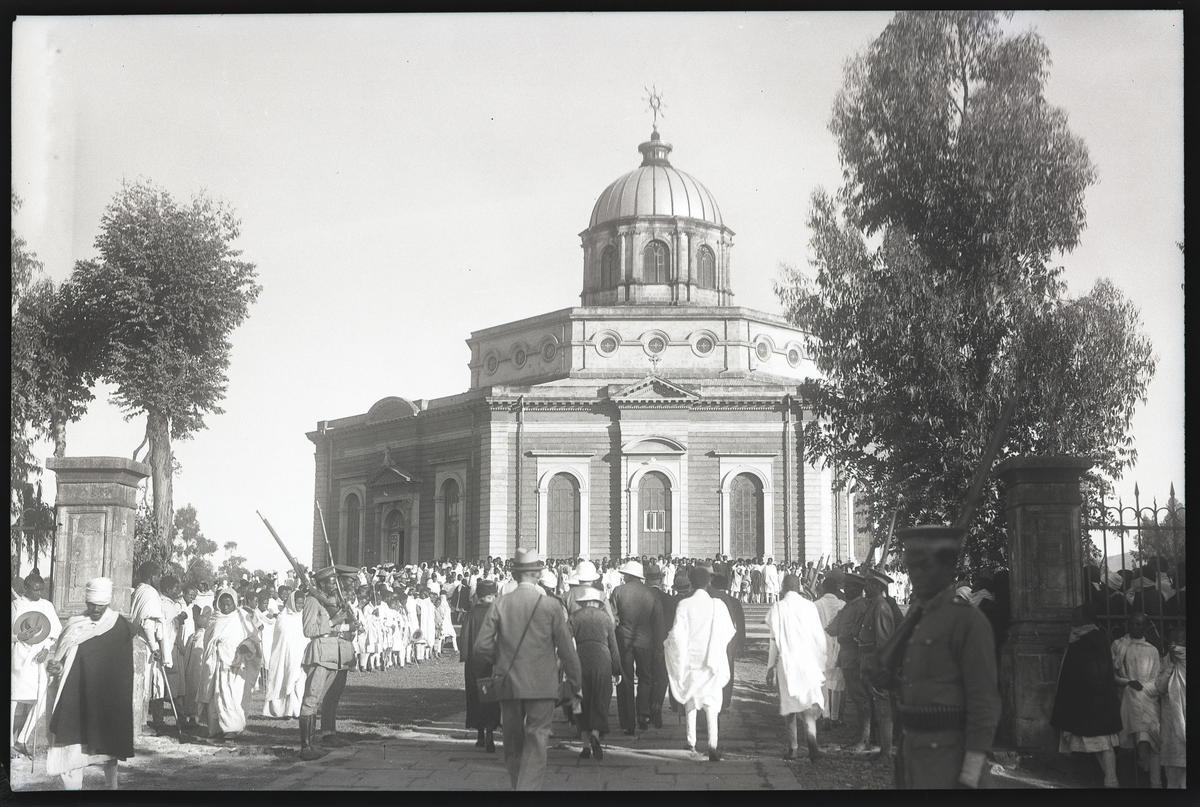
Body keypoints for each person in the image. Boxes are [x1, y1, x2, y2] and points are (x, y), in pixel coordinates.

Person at [870, 525, 1000, 789]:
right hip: (913, 757)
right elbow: (925, 686)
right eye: (911, 567)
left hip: (951, 763)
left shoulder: (968, 622)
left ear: (948, 566)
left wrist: (969, 776)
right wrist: (891, 683)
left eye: (925, 566)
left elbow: (985, 704)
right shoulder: (918, 619)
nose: (917, 575)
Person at [473, 548, 582, 790]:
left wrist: (499, 656)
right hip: (542, 685)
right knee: (537, 740)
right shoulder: (551, 606)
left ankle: (518, 787)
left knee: (512, 742)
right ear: (538, 574)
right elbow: (567, 650)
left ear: (515, 574)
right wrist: (576, 682)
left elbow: (480, 647)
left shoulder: (500, 604)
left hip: (508, 683)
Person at [44, 578, 134, 790]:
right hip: (75, 698)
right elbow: (61, 658)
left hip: (104, 701)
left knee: (108, 751)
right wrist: (57, 669)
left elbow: (123, 670)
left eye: (100, 605)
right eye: (91, 604)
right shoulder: (75, 624)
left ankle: (111, 789)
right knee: (71, 750)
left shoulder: (119, 627)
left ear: (108, 602)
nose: (95, 609)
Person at [664, 565, 737, 762]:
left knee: (691, 701)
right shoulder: (718, 605)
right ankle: (713, 745)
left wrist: (669, 646)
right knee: (711, 703)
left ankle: (692, 742)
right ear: (708, 582)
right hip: (712, 657)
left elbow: (677, 636)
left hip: (691, 658)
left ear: (690, 582)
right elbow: (730, 632)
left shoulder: (684, 605)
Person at [1049, 604, 1123, 788]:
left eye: (1076, 616)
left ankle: (1112, 781)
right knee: (1096, 743)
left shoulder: (1094, 638)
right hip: (1085, 701)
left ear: (1087, 619)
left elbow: (1096, 672)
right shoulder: (1081, 637)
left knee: (1103, 742)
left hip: (1094, 703)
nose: (1072, 620)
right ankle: (1110, 780)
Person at [299, 565, 359, 760]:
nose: (335, 585)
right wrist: (334, 621)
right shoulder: (312, 601)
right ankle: (306, 747)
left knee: (330, 696)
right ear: (322, 583)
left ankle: (326, 736)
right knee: (311, 699)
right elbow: (308, 630)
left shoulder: (333, 601)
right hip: (320, 653)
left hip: (334, 653)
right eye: (332, 582)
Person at [766, 573, 827, 761]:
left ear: (783, 588)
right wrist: (821, 663)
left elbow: (774, 640)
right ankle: (812, 741)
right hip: (808, 662)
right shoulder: (809, 606)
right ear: (799, 587)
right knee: (808, 703)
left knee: (789, 704)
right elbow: (820, 638)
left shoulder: (778, 607)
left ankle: (793, 748)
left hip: (787, 662)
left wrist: (770, 666)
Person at [609, 559, 665, 736]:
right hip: (646, 641)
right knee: (645, 677)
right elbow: (658, 623)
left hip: (624, 640)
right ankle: (643, 713)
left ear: (628, 575)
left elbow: (612, 619)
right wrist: (658, 646)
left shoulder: (618, 591)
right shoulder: (651, 594)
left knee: (625, 680)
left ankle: (628, 723)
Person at [197, 587, 261, 741]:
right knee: (216, 698)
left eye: (229, 604)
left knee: (232, 696)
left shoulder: (243, 617)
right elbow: (208, 641)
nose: (226, 608)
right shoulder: (215, 619)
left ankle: (232, 727)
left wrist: (247, 645)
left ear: (235, 603)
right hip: (217, 664)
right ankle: (217, 727)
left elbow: (254, 638)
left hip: (236, 665)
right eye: (223, 604)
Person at [569, 586, 623, 761]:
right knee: (600, 699)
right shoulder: (606, 618)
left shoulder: (574, 617)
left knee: (580, 700)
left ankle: (585, 745)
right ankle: (595, 733)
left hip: (581, 659)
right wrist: (617, 668)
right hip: (602, 660)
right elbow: (613, 646)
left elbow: (564, 639)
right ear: (598, 603)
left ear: (583, 603)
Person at [11, 571, 62, 757]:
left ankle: (22, 739)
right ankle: (8, 743)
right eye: (35, 590)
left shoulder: (46, 605)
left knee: (40, 700)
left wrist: (47, 649)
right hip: (18, 658)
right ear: (25, 588)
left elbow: (55, 632)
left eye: (41, 590)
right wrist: (17, 637)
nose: (39, 593)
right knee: (13, 700)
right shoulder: (15, 606)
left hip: (37, 659)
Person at [1111, 611, 1163, 787]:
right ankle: (1143, 768)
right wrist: (1128, 682)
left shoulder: (1153, 651)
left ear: (1146, 627)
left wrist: (1143, 689)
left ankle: (1154, 781)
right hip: (1127, 697)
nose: (1135, 627)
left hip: (1148, 698)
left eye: (1139, 624)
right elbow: (1112, 675)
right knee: (1142, 737)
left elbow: (1157, 680)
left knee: (1152, 739)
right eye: (1132, 623)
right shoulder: (1119, 645)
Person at [857, 567, 898, 760]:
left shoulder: (880, 608)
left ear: (876, 586)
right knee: (874, 703)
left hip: (876, 660)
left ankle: (886, 751)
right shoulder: (873, 605)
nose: (865, 586)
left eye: (868, 583)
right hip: (868, 657)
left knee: (883, 707)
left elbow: (883, 641)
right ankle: (879, 746)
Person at [460, 579, 501, 753]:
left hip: (474, 660)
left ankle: (480, 735)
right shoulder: (498, 614)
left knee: (475, 696)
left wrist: (467, 658)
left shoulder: (470, 614)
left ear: (478, 596)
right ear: (494, 595)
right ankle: (491, 731)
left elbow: (465, 639)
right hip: (493, 660)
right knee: (491, 696)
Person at [130, 561, 164, 734]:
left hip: (137, 641)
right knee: (144, 686)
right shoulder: (149, 593)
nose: (159, 579)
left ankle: (140, 721)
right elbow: (148, 623)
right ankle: (141, 722)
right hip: (145, 643)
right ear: (152, 576)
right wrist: (154, 646)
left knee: (141, 684)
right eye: (158, 575)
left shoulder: (138, 591)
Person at [263, 590, 307, 719]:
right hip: (283, 656)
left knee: (298, 682)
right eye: (298, 603)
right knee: (282, 680)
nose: (300, 606)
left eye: (302, 603)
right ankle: (280, 710)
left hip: (299, 655)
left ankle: (294, 710)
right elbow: (280, 638)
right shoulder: (283, 618)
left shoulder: (304, 617)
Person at [708, 573, 745, 715]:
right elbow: (741, 624)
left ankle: (714, 700)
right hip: (730, 641)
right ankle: (725, 703)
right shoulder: (734, 601)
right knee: (728, 669)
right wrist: (741, 643)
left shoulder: (712, 599)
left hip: (713, 639)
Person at [1154, 627, 1185, 788]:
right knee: (1173, 775)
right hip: (1171, 723)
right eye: (1171, 641)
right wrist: (1171, 666)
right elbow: (1160, 687)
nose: (1173, 645)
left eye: (1178, 642)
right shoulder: (1167, 660)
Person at [813, 575, 846, 731]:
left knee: (822, 682)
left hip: (820, 647)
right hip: (838, 646)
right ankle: (834, 717)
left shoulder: (816, 605)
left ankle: (824, 714)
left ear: (824, 588)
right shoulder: (842, 605)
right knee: (837, 682)